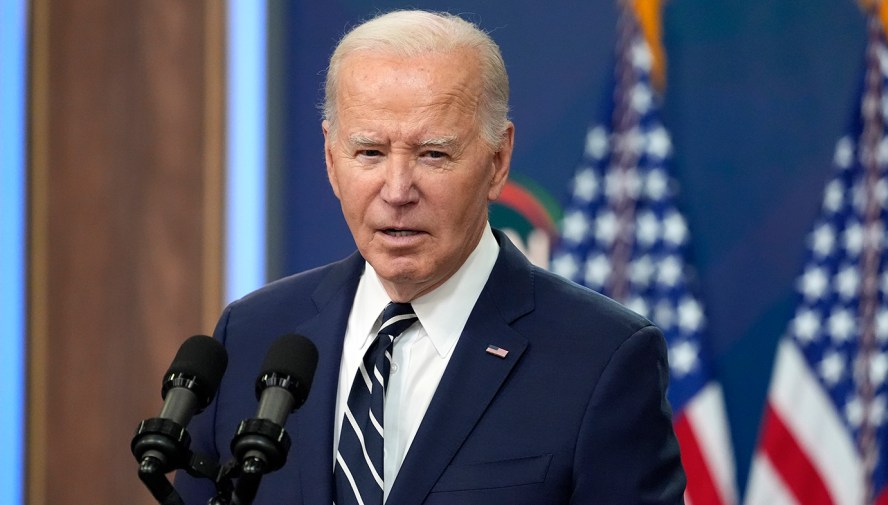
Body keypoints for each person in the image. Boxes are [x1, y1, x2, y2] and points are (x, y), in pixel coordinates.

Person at [175, 9, 686, 504]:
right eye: (370, 153)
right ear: (331, 159)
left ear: (498, 160)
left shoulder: (602, 358)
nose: (397, 190)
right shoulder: (252, 335)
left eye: (433, 154)